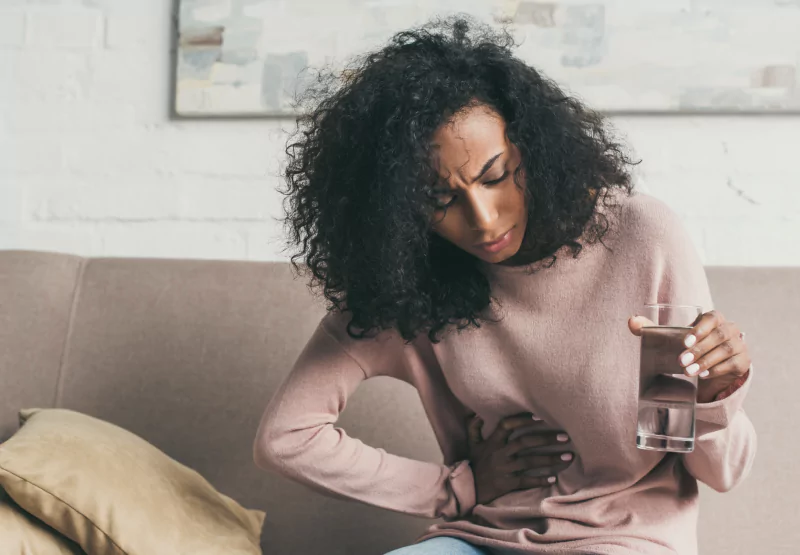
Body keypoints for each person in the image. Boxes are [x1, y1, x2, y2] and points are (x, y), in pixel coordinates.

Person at [253, 16, 755, 555]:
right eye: (438, 200)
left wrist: (712, 396)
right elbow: (286, 439)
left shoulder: (641, 239)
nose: (485, 221)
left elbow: (722, 471)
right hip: (476, 537)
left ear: (532, 148)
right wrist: (455, 489)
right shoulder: (414, 284)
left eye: (495, 175)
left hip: (622, 539)